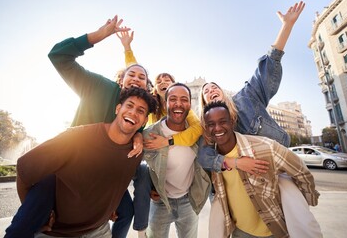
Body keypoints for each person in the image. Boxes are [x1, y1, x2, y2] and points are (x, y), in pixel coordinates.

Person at [198, 1, 322, 238]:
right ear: (204, 104)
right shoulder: (206, 128)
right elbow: (204, 156)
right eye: (205, 91)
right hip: (235, 193)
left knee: (303, 227)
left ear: (224, 93)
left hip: (275, 179)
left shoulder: (247, 98)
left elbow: (268, 68)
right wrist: (236, 163)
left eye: (214, 86)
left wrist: (286, 26)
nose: (210, 89)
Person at [6, 87, 157, 237]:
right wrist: (36, 217)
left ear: (144, 121)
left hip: (99, 230)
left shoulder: (136, 152)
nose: (133, 112)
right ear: (118, 109)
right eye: (129, 106)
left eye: (141, 111)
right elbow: (24, 168)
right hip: (56, 233)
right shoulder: (78, 137)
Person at [116, 31, 203, 238]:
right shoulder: (151, 107)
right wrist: (128, 49)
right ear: (155, 88)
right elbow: (136, 76)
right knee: (145, 171)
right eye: (160, 79)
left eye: (168, 79)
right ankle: (141, 229)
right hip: (160, 193)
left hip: (186, 197)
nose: (164, 80)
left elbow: (197, 130)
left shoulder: (184, 109)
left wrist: (168, 140)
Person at [203, 101, 320, 238]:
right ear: (206, 128)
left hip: (275, 231)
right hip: (239, 232)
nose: (217, 128)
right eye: (211, 124)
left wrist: (303, 203)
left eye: (222, 121)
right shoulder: (212, 159)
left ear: (232, 121)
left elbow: (301, 172)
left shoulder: (265, 147)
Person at [142, 83, 211, 238]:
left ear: (190, 104)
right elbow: (134, 166)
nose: (178, 103)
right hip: (160, 202)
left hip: (189, 200)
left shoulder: (198, 133)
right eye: (172, 99)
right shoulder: (150, 134)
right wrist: (146, 188)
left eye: (184, 99)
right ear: (165, 104)